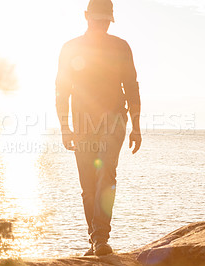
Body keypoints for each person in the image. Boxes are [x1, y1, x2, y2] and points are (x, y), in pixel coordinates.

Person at [55, 0, 141, 256]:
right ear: (86, 17)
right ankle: (95, 239)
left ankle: (101, 237)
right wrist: (65, 128)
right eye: (97, 20)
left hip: (113, 121)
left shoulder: (120, 47)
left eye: (105, 21)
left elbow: (132, 87)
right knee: (88, 186)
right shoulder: (70, 49)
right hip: (82, 125)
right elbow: (62, 91)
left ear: (110, 21)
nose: (101, 25)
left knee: (106, 174)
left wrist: (136, 127)